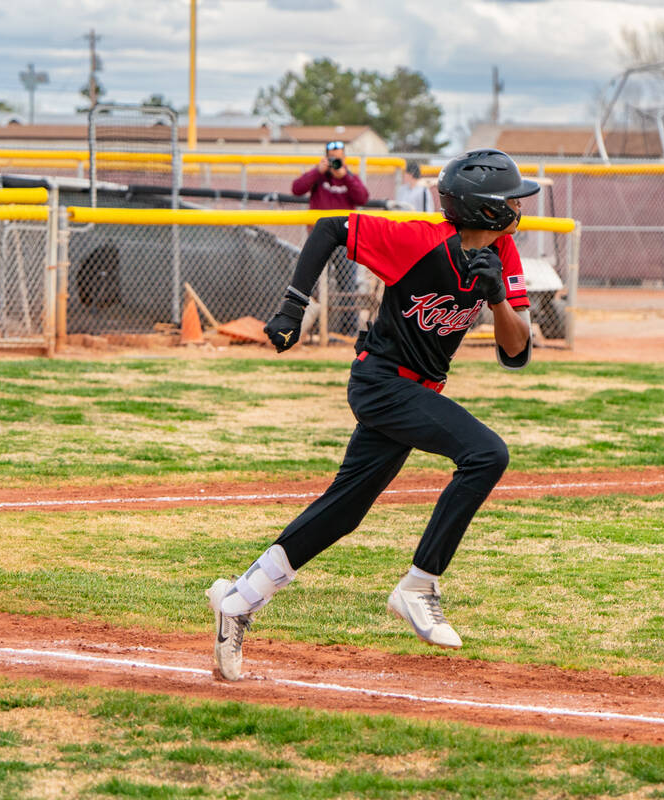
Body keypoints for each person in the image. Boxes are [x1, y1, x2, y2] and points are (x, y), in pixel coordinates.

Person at [206, 148, 537, 680]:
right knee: (486, 453)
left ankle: (239, 600)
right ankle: (420, 584)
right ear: (488, 209)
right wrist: (293, 305)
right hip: (382, 384)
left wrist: (498, 299)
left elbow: (515, 353)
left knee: (344, 510)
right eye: (512, 202)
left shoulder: (503, 252)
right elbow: (330, 227)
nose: (520, 211)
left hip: (415, 391)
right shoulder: (418, 241)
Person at [291, 140, 372, 336]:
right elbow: (297, 188)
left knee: (347, 285)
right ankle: (315, 330)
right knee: (314, 283)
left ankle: (348, 331)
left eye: (338, 157)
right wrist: (317, 171)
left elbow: (363, 198)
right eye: (332, 157)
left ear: (344, 157)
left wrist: (345, 176)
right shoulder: (318, 176)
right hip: (318, 238)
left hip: (345, 239)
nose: (335, 161)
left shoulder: (349, 177)